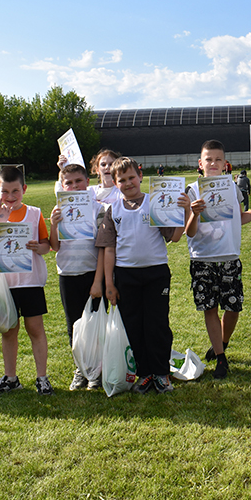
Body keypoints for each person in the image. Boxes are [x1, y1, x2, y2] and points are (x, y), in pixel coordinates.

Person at [100, 157, 191, 393]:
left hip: (156, 273)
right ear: (115, 183)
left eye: (131, 177)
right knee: (133, 324)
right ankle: (143, 373)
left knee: (157, 323)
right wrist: (109, 283)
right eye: (122, 180)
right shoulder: (112, 210)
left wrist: (185, 211)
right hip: (126, 275)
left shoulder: (155, 203)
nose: (128, 183)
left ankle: (161, 372)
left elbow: (175, 237)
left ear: (140, 176)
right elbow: (109, 249)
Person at [0, 166, 54, 396]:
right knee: (9, 330)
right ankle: (11, 377)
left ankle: (42, 378)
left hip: (30, 282)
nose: (10, 196)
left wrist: (38, 247)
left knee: (35, 328)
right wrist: (1, 223)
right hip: (5, 284)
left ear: (24, 189)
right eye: (5, 191)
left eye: (15, 191)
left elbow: (46, 246)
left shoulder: (34, 213)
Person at [183, 140, 251, 379]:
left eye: (218, 159)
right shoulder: (192, 190)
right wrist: (194, 214)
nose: (213, 163)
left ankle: (221, 342)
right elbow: (189, 232)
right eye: (208, 159)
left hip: (229, 256)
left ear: (225, 164)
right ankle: (221, 358)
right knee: (210, 308)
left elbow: (239, 218)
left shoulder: (233, 188)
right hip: (203, 258)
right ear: (200, 163)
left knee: (233, 307)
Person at [48, 163, 106, 391]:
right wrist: (53, 225)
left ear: (87, 182)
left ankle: (96, 371)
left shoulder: (99, 209)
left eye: (78, 181)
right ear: (62, 186)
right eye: (69, 183)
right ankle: (81, 369)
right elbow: (54, 246)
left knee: (95, 324)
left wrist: (98, 280)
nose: (74, 186)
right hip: (68, 274)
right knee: (74, 325)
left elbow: (103, 247)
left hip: (92, 273)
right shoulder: (59, 209)